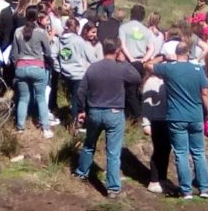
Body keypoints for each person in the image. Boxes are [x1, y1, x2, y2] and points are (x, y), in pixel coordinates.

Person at [74, 38, 141, 198]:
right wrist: (124, 62)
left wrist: (81, 109)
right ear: (118, 51)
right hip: (115, 112)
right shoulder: (121, 68)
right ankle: (113, 188)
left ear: (103, 49)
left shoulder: (93, 68)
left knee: (89, 144)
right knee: (113, 152)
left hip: (95, 112)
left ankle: (81, 172)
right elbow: (137, 78)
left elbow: (81, 91)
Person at [148, 43, 208, 199]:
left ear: (175, 52)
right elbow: (205, 92)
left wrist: (163, 57)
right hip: (196, 116)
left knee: (181, 153)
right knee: (198, 152)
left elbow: (147, 65)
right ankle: (204, 187)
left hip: (176, 116)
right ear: (189, 53)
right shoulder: (198, 69)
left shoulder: (169, 68)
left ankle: (186, 190)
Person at [12, 5, 54, 137]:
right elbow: (47, 52)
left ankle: (20, 127)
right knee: (41, 98)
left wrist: (17, 66)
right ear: (37, 17)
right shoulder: (41, 33)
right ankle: (45, 128)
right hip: (37, 67)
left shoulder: (18, 31)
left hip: (21, 67)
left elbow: (14, 53)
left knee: (23, 98)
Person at [118, 4, 154, 121]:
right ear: (143, 16)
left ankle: (135, 115)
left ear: (131, 14)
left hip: (129, 61)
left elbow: (122, 45)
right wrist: (144, 59)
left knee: (128, 90)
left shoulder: (123, 27)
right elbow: (151, 48)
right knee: (138, 88)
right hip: (141, 62)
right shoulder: (147, 31)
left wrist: (131, 58)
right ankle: (138, 113)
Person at [57, 17, 96, 125]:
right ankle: (76, 124)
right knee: (78, 99)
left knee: (73, 98)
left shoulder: (60, 39)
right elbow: (91, 57)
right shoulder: (79, 40)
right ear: (77, 27)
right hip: (78, 74)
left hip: (65, 73)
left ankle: (75, 120)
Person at [141, 58, 170, 193]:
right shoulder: (151, 82)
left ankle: (163, 179)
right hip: (156, 121)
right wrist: (146, 124)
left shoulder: (167, 81)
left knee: (166, 149)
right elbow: (146, 104)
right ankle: (153, 181)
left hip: (167, 119)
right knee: (159, 150)